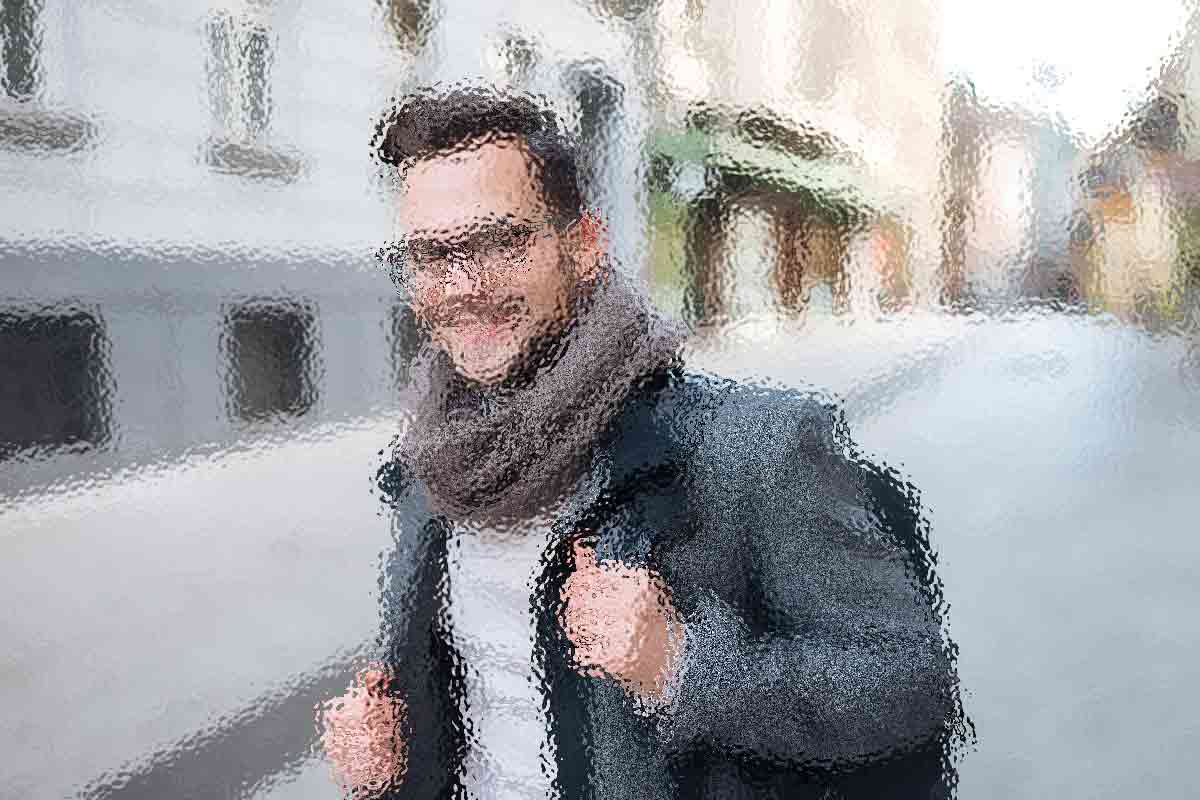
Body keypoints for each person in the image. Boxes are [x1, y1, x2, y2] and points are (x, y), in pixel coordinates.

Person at [321, 85, 965, 799]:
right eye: (431, 254)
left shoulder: (748, 448)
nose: (465, 284)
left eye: (503, 242)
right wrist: (393, 769)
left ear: (584, 246)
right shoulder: (432, 469)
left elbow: (907, 683)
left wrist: (681, 667)